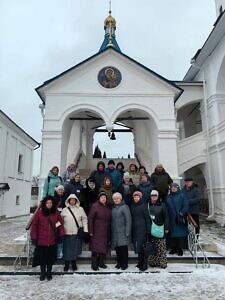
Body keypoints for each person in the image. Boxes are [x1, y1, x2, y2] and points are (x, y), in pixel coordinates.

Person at [31, 195, 65, 281]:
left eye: (51, 203)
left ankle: (49, 272)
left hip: (52, 240)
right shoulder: (39, 214)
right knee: (42, 259)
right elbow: (34, 226)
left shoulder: (56, 214)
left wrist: (61, 234)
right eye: (47, 203)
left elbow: (59, 224)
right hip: (41, 241)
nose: (49, 204)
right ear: (44, 204)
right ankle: (43, 272)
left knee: (50, 258)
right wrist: (34, 238)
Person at [61, 194, 88, 272]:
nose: (72, 201)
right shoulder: (64, 210)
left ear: (76, 200)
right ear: (68, 200)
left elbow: (84, 219)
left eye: (74, 200)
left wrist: (85, 230)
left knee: (74, 249)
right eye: (71, 200)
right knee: (66, 249)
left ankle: (73, 263)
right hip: (67, 232)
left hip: (76, 232)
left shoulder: (80, 209)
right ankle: (66, 263)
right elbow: (60, 220)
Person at [88, 192, 111, 271]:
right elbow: (90, 219)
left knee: (103, 247)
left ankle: (101, 263)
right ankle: (94, 264)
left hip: (105, 231)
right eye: (102, 197)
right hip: (96, 231)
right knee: (95, 248)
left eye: (105, 197)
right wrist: (90, 230)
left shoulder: (107, 207)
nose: (103, 199)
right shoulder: (95, 206)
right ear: (99, 198)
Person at [148, 190, 169, 269]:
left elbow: (166, 217)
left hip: (160, 227)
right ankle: (153, 262)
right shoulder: (148, 205)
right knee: (153, 246)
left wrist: (166, 227)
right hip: (151, 228)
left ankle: (162, 262)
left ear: (157, 196)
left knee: (161, 246)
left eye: (155, 196)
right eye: (152, 196)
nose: (153, 197)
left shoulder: (162, 205)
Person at [166, 183, 189, 256]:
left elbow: (186, 205)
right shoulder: (168, 197)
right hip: (171, 218)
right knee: (172, 234)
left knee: (180, 234)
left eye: (174, 187)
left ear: (177, 188)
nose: (173, 188)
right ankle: (173, 248)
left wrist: (181, 213)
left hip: (179, 218)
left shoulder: (181, 195)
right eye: (172, 187)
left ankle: (180, 249)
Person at [130, 191, 150, 271]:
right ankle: (139, 263)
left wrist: (148, 231)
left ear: (140, 198)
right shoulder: (132, 205)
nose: (136, 198)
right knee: (138, 247)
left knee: (143, 248)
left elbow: (147, 219)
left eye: (137, 197)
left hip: (142, 229)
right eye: (135, 197)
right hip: (135, 229)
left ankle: (144, 264)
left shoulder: (144, 205)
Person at [111, 192, 132, 270]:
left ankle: (125, 263)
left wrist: (127, 231)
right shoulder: (113, 208)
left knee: (123, 249)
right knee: (118, 249)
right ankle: (119, 263)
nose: (116, 200)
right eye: (114, 199)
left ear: (120, 199)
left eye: (117, 198)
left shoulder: (125, 207)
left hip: (123, 232)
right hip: (115, 233)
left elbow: (128, 220)